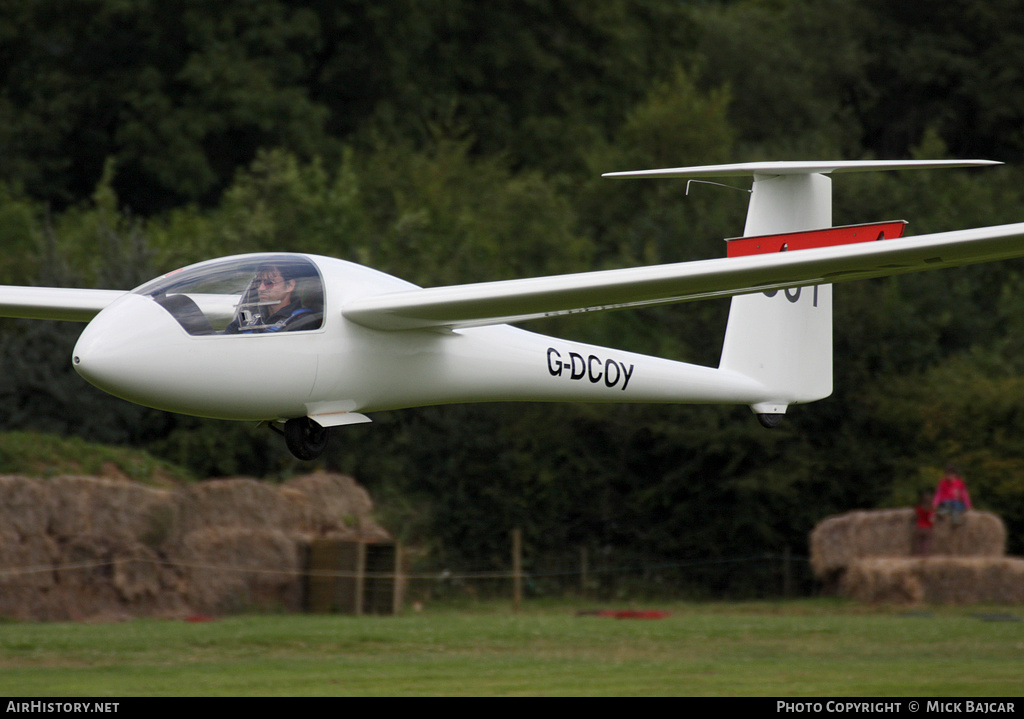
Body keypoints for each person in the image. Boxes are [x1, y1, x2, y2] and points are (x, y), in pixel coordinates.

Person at [224, 262, 314, 334]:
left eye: (269, 283)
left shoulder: (303, 321)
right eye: (259, 282)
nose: (261, 288)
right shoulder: (248, 317)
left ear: (289, 286)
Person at [912, 490, 934, 555]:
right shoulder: (929, 510)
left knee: (918, 543)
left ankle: (918, 555)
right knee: (926, 543)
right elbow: (931, 519)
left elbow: (915, 516)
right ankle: (924, 555)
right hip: (927, 528)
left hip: (919, 527)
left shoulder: (918, 508)